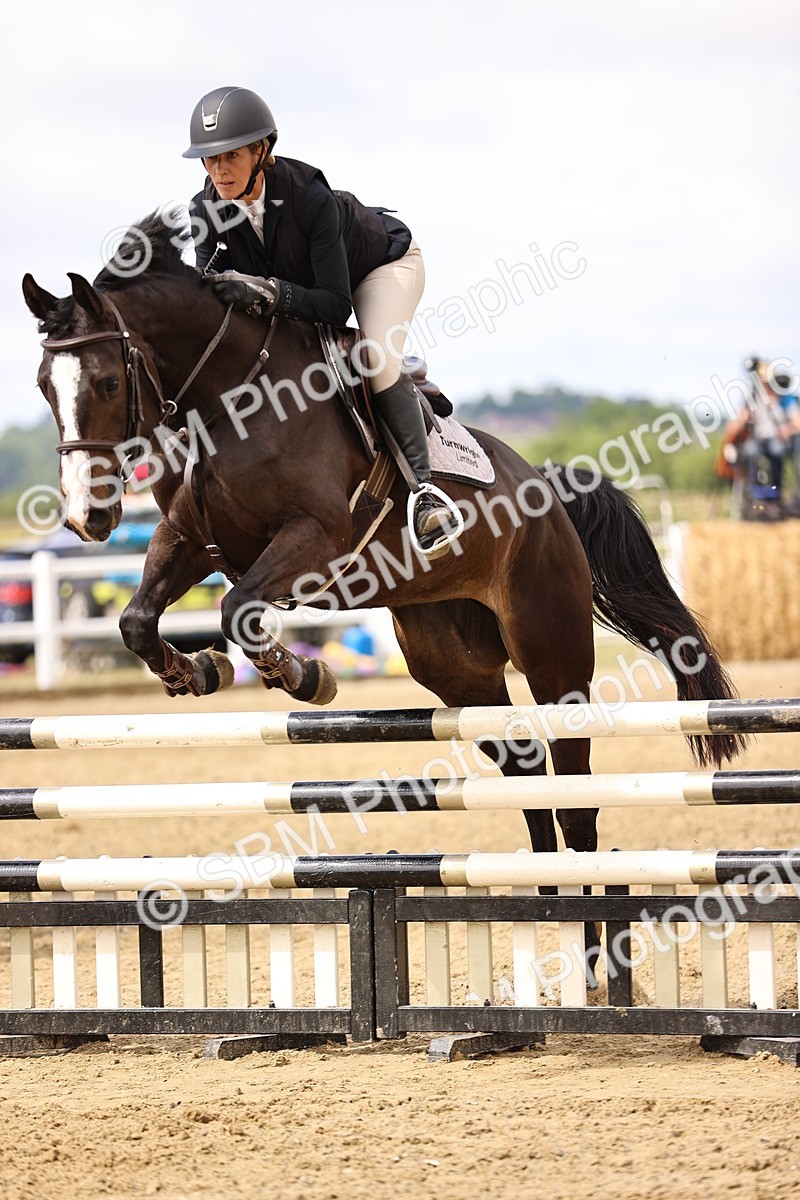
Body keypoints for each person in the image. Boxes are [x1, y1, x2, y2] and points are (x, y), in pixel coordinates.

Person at [183, 85, 460, 558]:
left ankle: (425, 493)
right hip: (307, 286)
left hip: (379, 268)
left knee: (374, 358)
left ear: (261, 151)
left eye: (231, 156)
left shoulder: (309, 196)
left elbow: (334, 305)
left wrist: (268, 292)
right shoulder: (206, 209)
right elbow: (209, 296)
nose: (219, 170)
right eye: (210, 159)